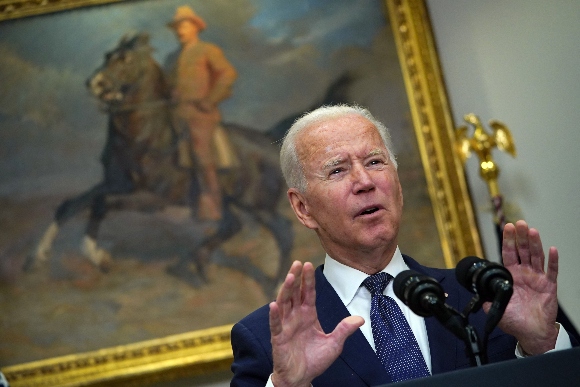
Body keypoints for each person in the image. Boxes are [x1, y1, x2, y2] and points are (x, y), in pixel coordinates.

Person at [230, 104, 577, 386]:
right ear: (302, 208)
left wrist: (541, 343)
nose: (364, 181)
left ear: (396, 182)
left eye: (375, 162)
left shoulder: (487, 301)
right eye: (337, 171)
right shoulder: (266, 339)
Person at [166, 6, 238, 221]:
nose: (180, 31)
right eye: (178, 27)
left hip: (201, 114)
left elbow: (228, 74)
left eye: (185, 26)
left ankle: (212, 204)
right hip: (175, 114)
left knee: (200, 152)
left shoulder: (207, 49)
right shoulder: (172, 57)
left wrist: (210, 100)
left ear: (195, 27)